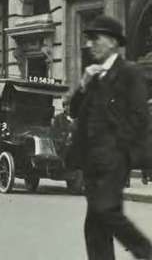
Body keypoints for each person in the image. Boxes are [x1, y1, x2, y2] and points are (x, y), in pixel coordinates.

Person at [68, 14, 152, 260]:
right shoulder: (93, 76)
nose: (90, 44)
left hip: (113, 161)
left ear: (114, 42)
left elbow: (140, 118)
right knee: (95, 228)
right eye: (89, 39)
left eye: (96, 38)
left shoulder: (129, 72)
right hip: (92, 164)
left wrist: (119, 151)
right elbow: (74, 111)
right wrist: (83, 85)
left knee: (106, 211)